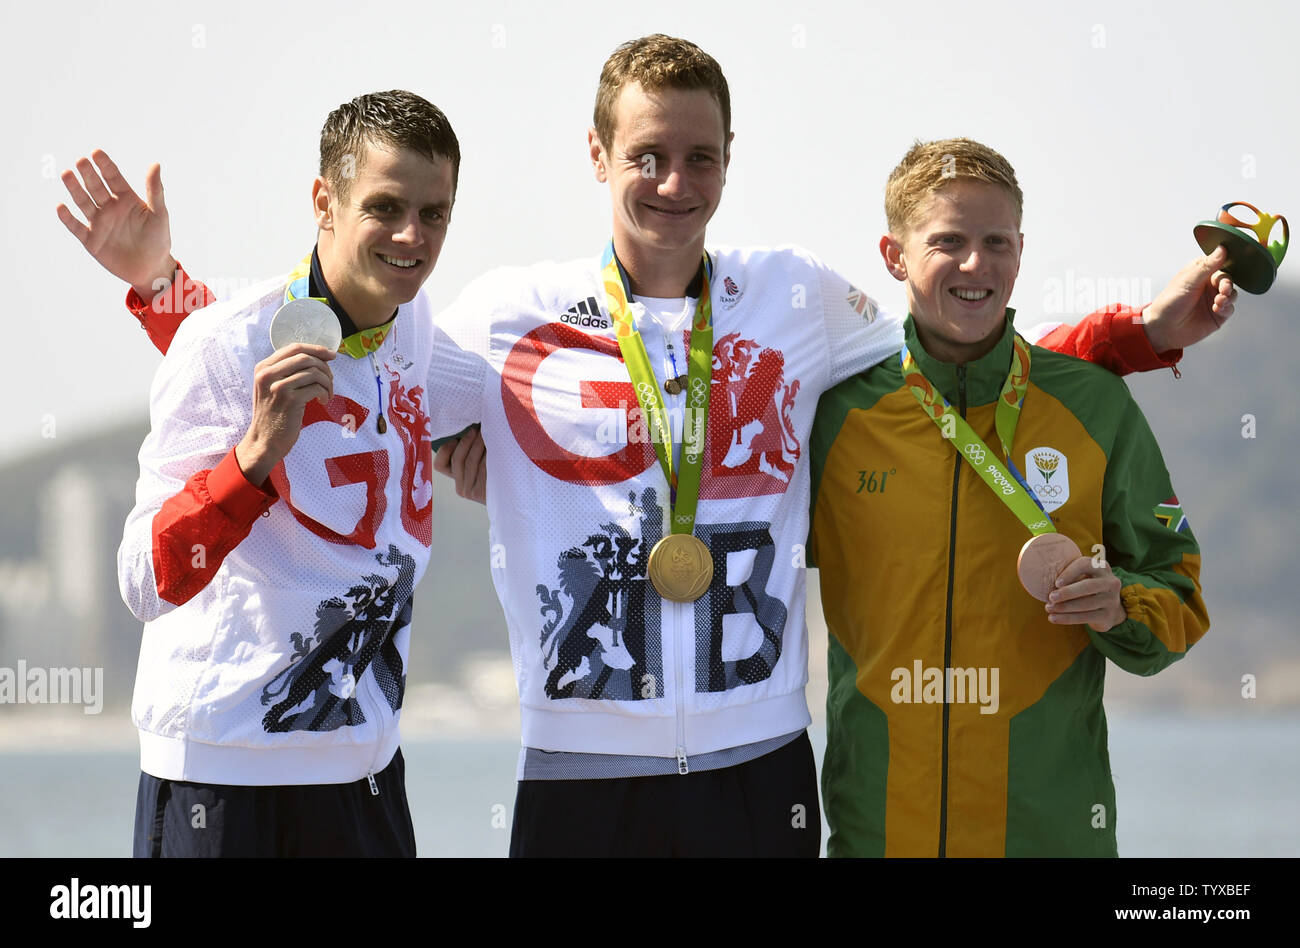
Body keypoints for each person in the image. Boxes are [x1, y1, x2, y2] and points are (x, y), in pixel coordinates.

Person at [60, 36, 1233, 857]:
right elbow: (340, 356)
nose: (675, 182)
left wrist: (1136, 335)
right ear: (596, 157)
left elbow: (956, 342)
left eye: (702, 157)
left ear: (730, 160)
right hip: (575, 770)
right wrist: (167, 295)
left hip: (755, 766)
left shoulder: (797, 300)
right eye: (647, 156)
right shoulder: (502, 315)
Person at [58, 90, 461, 856]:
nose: (413, 236)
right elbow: (142, 579)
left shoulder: (416, 322)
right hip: (227, 785)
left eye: (434, 212)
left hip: (369, 776)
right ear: (325, 201)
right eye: (386, 206)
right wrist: (252, 460)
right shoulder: (220, 346)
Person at [809, 138, 1211, 857]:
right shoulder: (836, 413)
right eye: (948, 241)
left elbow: (1179, 591)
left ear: (1021, 250)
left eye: (996, 241)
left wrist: (1120, 603)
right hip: (877, 833)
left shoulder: (1093, 406)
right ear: (894, 254)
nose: (975, 264)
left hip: (1048, 835)